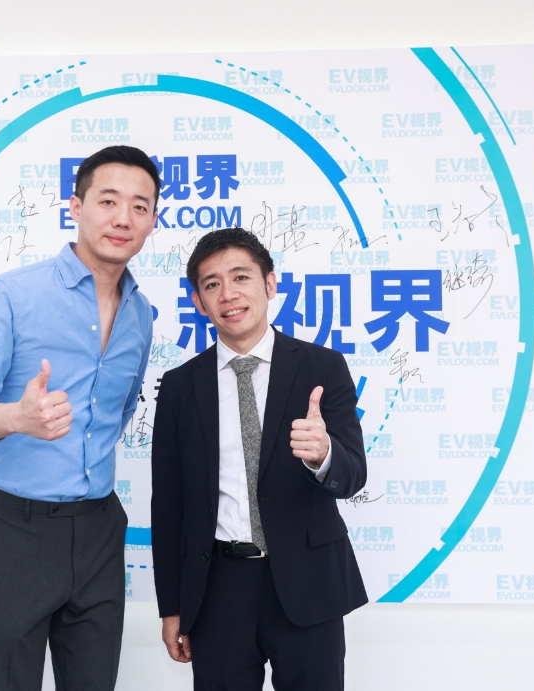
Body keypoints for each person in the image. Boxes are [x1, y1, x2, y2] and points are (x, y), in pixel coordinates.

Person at [0, 145, 160, 691]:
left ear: (152, 221)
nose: (123, 218)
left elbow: (120, 410)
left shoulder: (140, 313)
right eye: (108, 201)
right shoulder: (13, 295)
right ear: (76, 207)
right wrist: (17, 417)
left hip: (99, 530)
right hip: (13, 531)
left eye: (139, 206)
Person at [151, 227, 368, 690]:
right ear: (198, 302)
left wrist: (324, 454)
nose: (228, 294)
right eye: (212, 284)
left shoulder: (323, 367)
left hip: (307, 582)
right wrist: (171, 607)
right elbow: (167, 507)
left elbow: (353, 476)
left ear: (270, 284)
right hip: (217, 588)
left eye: (241, 277)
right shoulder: (180, 387)